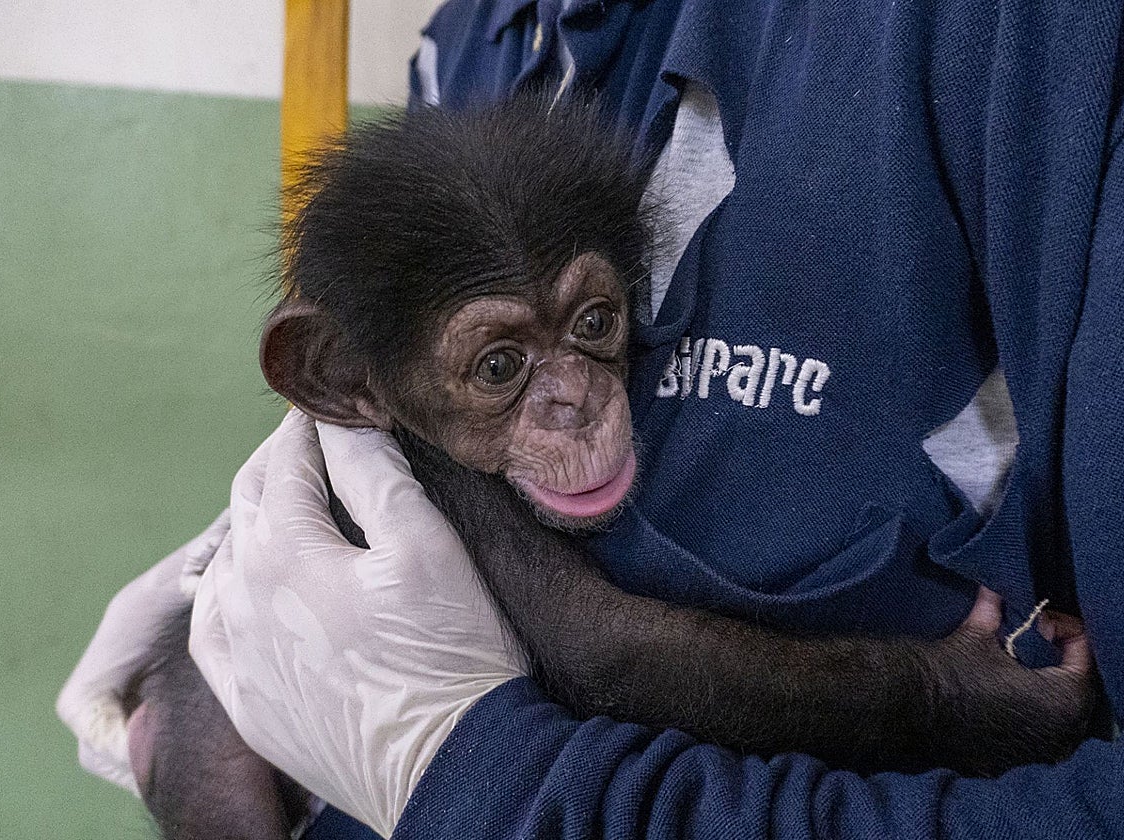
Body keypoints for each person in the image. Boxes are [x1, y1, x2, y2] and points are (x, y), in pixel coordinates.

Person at [59, 1, 1124, 837]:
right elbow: (609, 654)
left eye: (599, 322)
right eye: (502, 364)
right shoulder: (478, 41)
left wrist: (474, 779)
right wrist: (932, 693)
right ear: (347, 385)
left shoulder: (1012, 48)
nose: (571, 394)